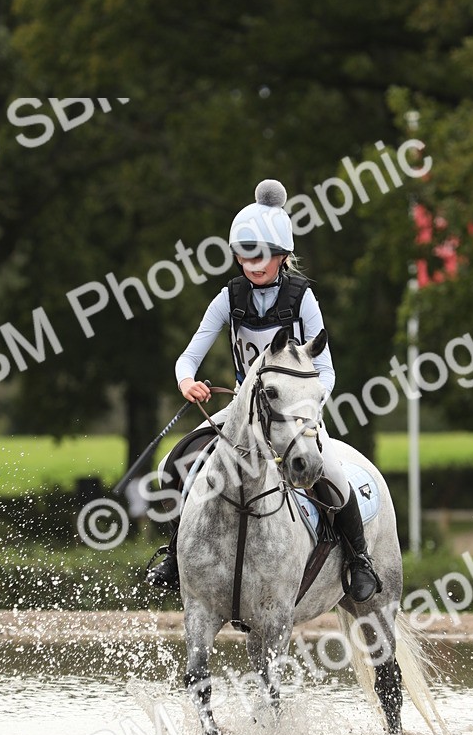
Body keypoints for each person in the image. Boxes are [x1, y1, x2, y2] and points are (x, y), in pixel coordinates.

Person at [146, 178, 381, 602]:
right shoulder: (227, 297)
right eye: (245, 255)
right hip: (241, 412)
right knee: (178, 464)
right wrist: (187, 383)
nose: (254, 265)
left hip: (292, 415)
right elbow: (188, 358)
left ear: (283, 256)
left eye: (265, 256)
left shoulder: (302, 298)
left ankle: (359, 559)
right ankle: (177, 556)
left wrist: (304, 409)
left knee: (333, 476)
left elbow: (325, 369)